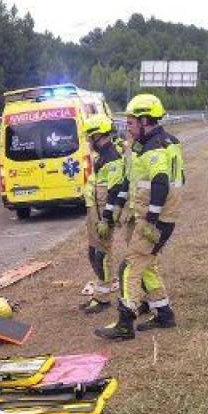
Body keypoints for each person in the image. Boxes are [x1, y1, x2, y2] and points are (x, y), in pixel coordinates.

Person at [95, 93, 184, 340]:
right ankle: (164, 313)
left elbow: (160, 182)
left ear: (146, 120)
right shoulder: (168, 142)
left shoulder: (153, 149)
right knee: (147, 265)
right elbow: (135, 180)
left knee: (130, 266)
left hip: (155, 219)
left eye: (132, 122)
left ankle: (125, 322)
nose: (128, 127)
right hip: (161, 216)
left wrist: (151, 221)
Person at [80, 116, 125, 314]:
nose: (89, 142)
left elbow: (115, 191)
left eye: (91, 138)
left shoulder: (112, 157)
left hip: (103, 215)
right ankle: (100, 292)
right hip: (95, 213)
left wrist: (106, 218)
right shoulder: (101, 157)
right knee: (93, 253)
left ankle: (103, 298)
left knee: (102, 255)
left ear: (98, 135)